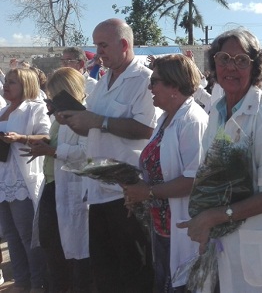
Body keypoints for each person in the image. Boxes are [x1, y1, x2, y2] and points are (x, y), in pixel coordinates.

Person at [178, 28, 262, 292]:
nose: (231, 67)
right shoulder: (217, 110)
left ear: (255, 66)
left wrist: (214, 216)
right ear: (214, 62)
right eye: (223, 58)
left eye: (241, 60)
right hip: (228, 241)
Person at [61, 18, 157, 293]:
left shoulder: (145, 80)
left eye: (103, 45)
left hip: (126, 194)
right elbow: (96, 129)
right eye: (96, 45)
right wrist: (75, 121)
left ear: (124, 44)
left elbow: (147, 129)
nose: (98, 51)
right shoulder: (103, 82)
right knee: (104, 273)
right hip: (98, 190)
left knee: (134, 272)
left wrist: (98, 121)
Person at [124, 54, 208, 292]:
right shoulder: (165, 118)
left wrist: (148, 192)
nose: (150, 87)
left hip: (183, 227)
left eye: (155, 81)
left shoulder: (192, 121)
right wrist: (138, 191)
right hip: (163, 225)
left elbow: (195, 180)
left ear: (174, 85)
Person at [28, 67, 91, 293]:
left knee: (70, 251)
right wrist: (44, 144)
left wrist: (52, 151)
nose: (50, 101)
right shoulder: (59, 115)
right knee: (50, 244)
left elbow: (85, 152)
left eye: (54, 95)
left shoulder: (85, 114)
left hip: (71, 187)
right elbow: (56, 139)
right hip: (53, 184)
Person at [0, 68, 50, 293]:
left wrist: (21, 138)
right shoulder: (2, 110)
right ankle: (21, 280)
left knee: (27, 234)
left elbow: (48, 136)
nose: (6, 85)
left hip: (21, 179)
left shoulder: (34, 109)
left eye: (12, 82)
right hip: (2, 180)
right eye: (6, 81)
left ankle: (37, 282)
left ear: (26, 85)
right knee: (10, 233)